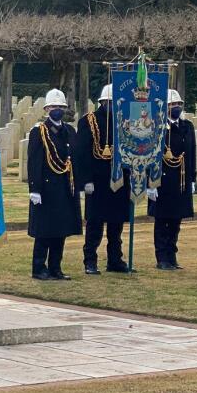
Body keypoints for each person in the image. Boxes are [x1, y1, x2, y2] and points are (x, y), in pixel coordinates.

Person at [73, 84, 131, 275]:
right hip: (97, 181)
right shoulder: (88, 121)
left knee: (117, 224)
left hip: (119, 179)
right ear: (103, 102)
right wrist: (85, 180)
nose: (113, 105)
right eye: (110, 102)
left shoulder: (124, 121)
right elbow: (81, 153)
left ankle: (115, 259)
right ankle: (90, 260)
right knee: (95, 224)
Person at [26, 88, 81, 281]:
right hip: (47, 189)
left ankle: (56, 267)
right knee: (45, 231)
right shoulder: (39, 132)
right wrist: (35, 189)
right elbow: (34, 161)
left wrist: (79, 185)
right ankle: (39, 267)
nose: (57, 110)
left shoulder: (69, 131)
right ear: (47, 108)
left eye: (60, 107)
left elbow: (75, 160)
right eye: (54, 107)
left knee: (61, 230)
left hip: (65, 188)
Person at [148, 89, 196, 270]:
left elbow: (191, 153)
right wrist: (150, 183)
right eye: (172, 105)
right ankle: (162, 257)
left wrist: (192, 179)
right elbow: (150, 156)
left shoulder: (187, 126)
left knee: (176, 220)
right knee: (162, 221)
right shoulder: (156, 126)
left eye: (178, 104)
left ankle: (172, 255)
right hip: (162, 180)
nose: (176, 107)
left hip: (181, 179)